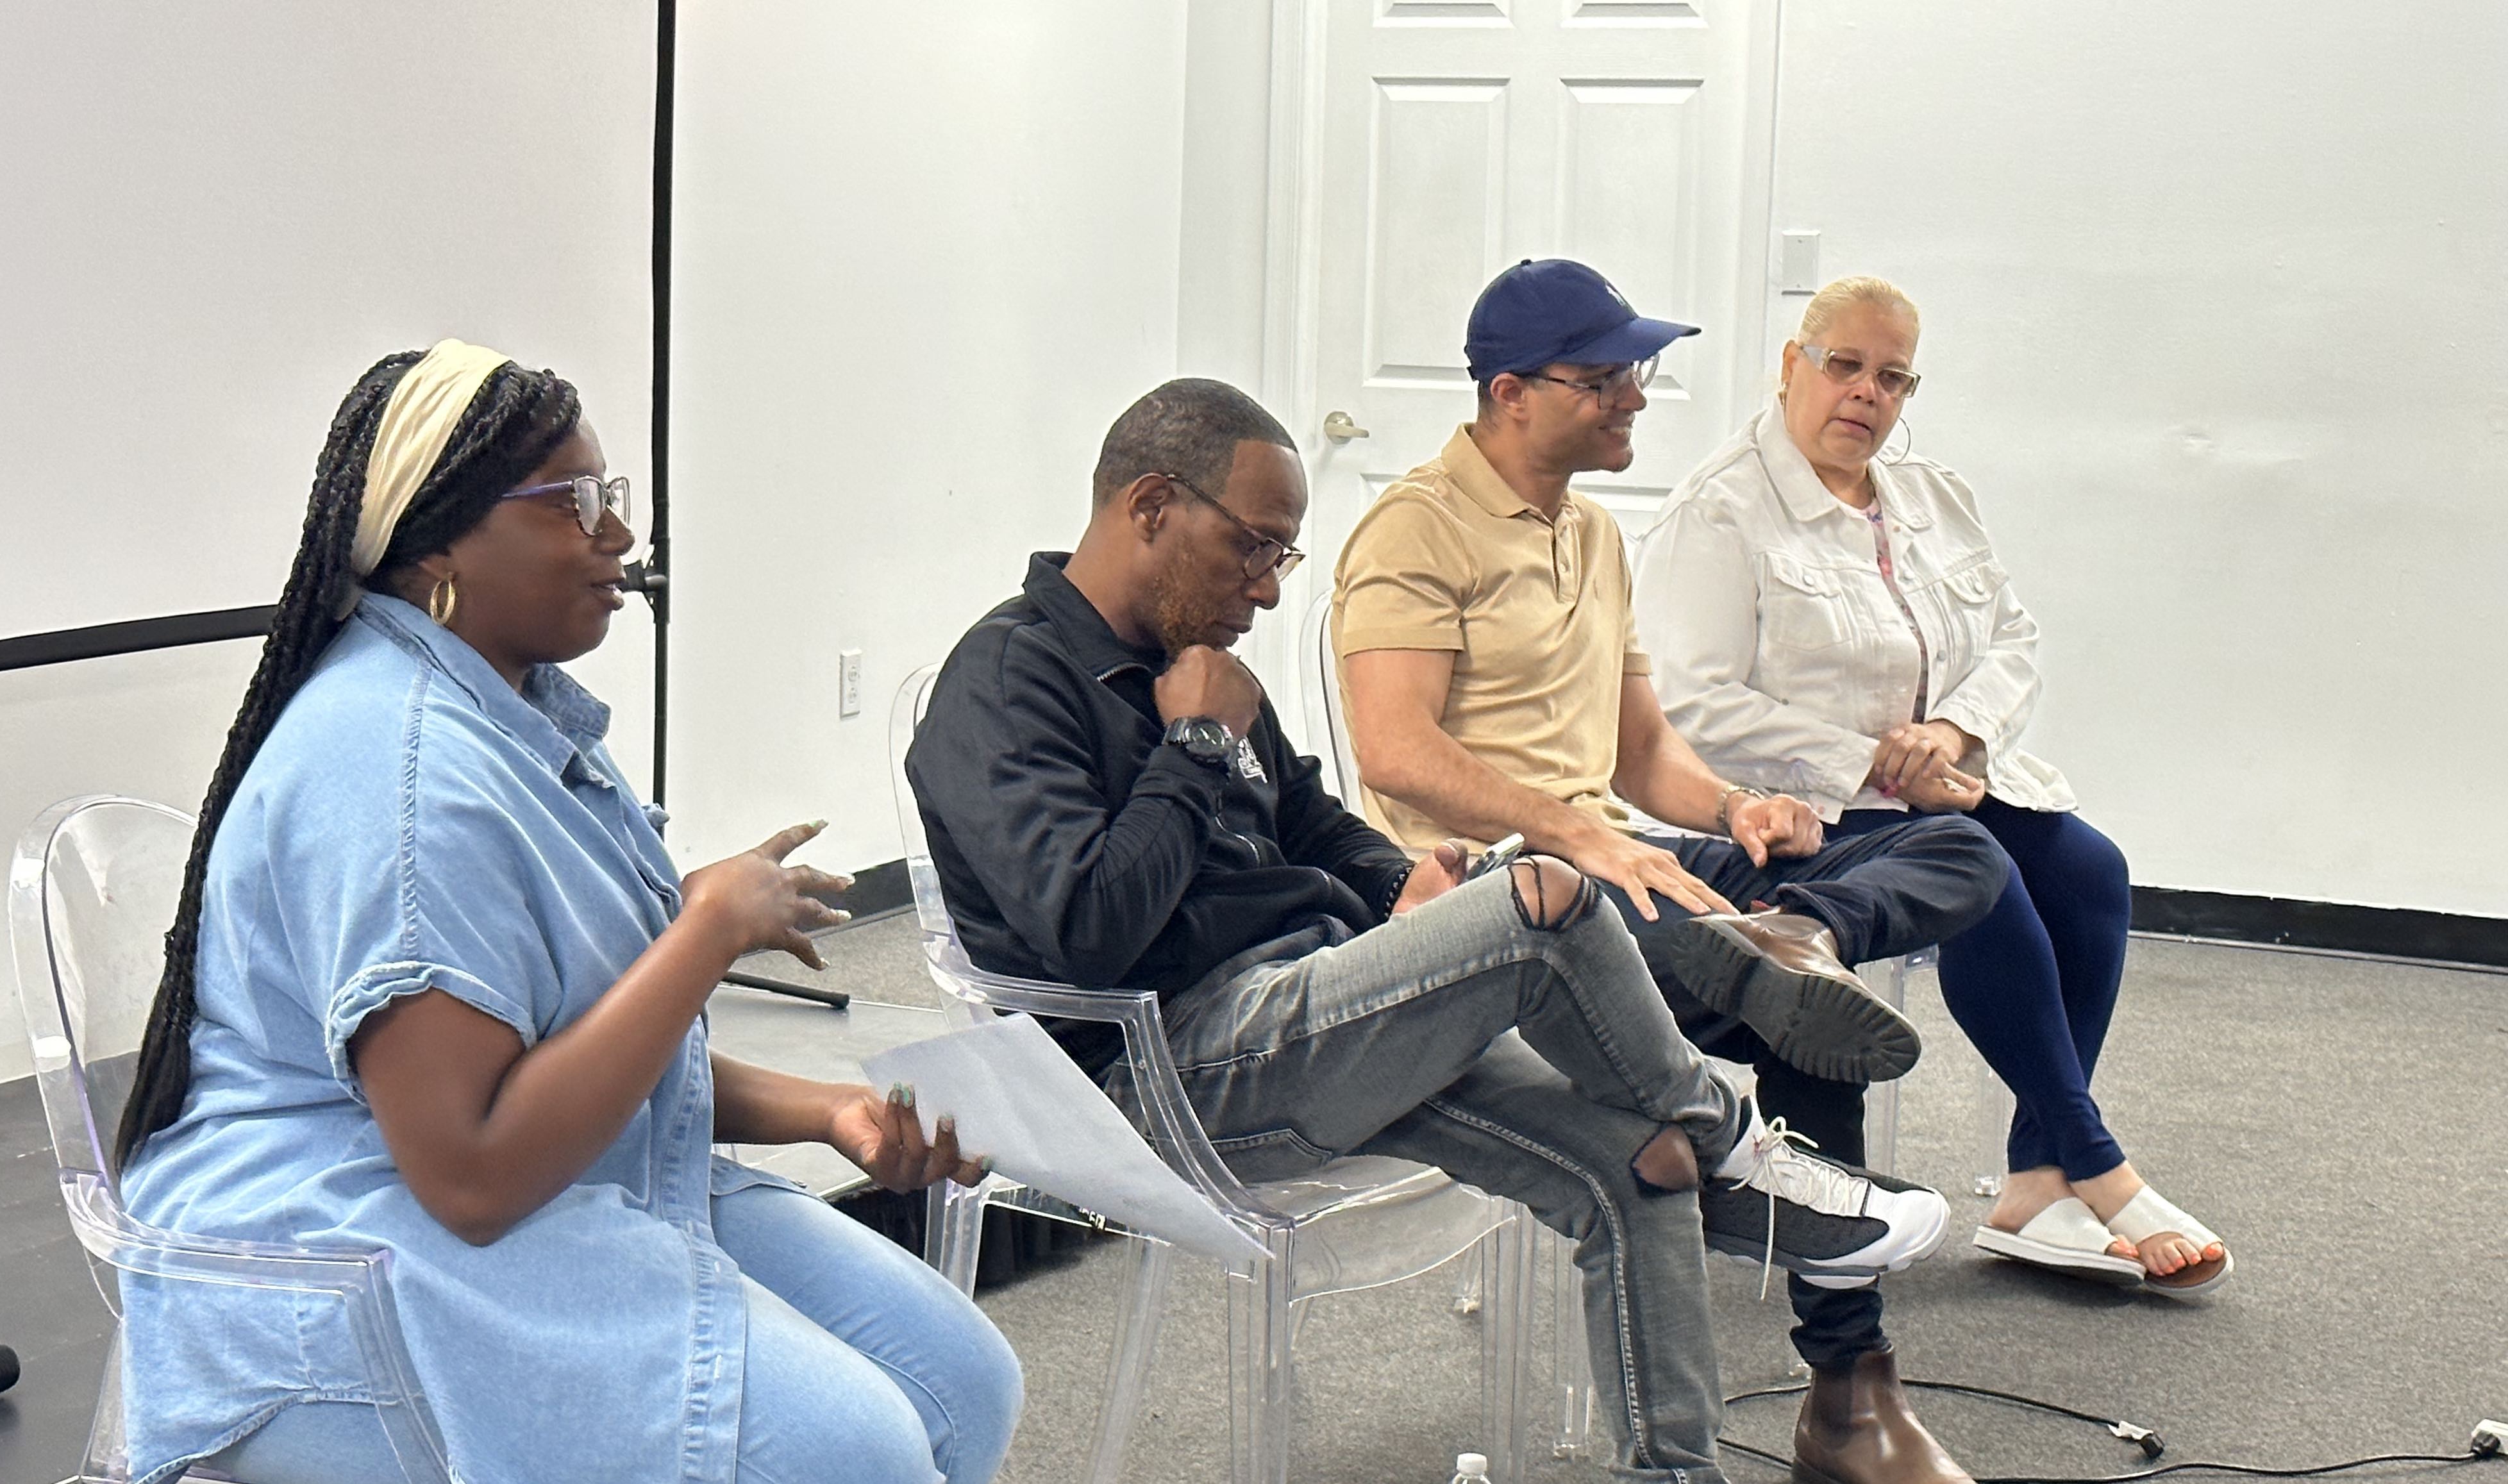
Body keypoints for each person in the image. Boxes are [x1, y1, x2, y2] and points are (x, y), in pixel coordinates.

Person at [907, 376, 1954, 1484]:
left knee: (1637, 1162)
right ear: (1154, 506)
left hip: (1314, 1015)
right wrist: (1198, 751)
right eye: (1254, 549)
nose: (1267, 592)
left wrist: (1405, 881)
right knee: (1542, 895)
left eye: (1282, 559)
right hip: (1160, 1074)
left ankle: (1678, 1460)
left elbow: (1318, 829)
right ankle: (1737, 1143)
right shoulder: (1008, 679)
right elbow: (1085, 932)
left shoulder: (1202, 672)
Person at [114, 342, 1021, 1484]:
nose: (620, 536)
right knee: (860, 1453)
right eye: (573, 504)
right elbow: (474, 1173)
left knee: (966, 1385)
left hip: (513, 1177)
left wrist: (831, 1111)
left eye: (614, 497)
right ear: (438, 539)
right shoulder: (403, 779)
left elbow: (581, 1056)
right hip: (337, 1255)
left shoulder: (507, 711)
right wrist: (701, 937)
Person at [1333, 258, 2012, 1484]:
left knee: (1965, 845)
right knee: (1813, 1032)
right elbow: (1397, 753)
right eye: (1604, 378)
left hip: (1627, 860)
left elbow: (1645, 752)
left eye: (1634, 372)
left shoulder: (1592, 531)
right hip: (1500, 896)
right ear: (1509, 393)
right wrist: (1574, 832)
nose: (1635, 397)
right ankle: (1848, 1395)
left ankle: (1794, 937)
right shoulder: (1411, 531)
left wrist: (1743, 808)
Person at [1635, 274, 2232, 1300]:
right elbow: (1690, 703)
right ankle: (2090, 1160)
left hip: (1938, 784)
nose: (1867, 394)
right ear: (1793, 366)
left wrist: (1952, 732)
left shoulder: (1933, 495)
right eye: (1845, 366)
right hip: (1803, 810)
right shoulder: (1721, 510)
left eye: (1894, 377)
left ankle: (2035, 1181)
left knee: (2091, 871)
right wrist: (1867, 758)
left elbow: (2012, 641)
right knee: (1987, 877)